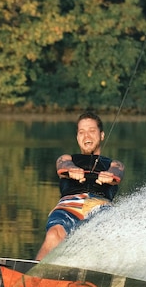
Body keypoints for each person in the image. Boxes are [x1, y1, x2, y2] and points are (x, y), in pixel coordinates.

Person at [35, 111, 124, 260]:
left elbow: (117, 172)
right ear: (77, 138)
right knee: (53, 234)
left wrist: (109, 175)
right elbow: (62, 165)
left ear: (102, 135)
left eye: (91, 131)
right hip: (70, 206)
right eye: (82, 132)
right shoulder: (67, 158)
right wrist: (71, 170)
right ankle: (33, 275)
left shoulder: (114, 164)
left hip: (100, 206)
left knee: (97, 236)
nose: (86, 136)